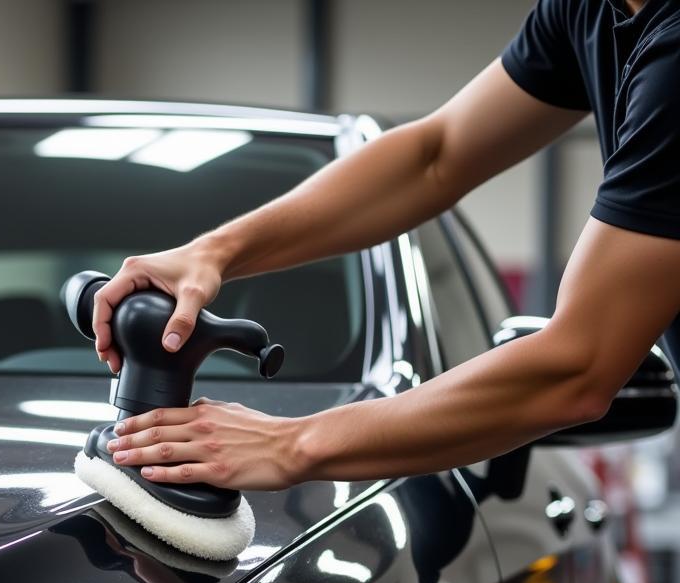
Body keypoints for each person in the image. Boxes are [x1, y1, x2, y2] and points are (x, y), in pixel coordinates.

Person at [91, 0, 680, 491]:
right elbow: (436, 156)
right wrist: (214, 252)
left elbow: (577, 367)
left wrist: (291, 444)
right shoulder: (588, 11)